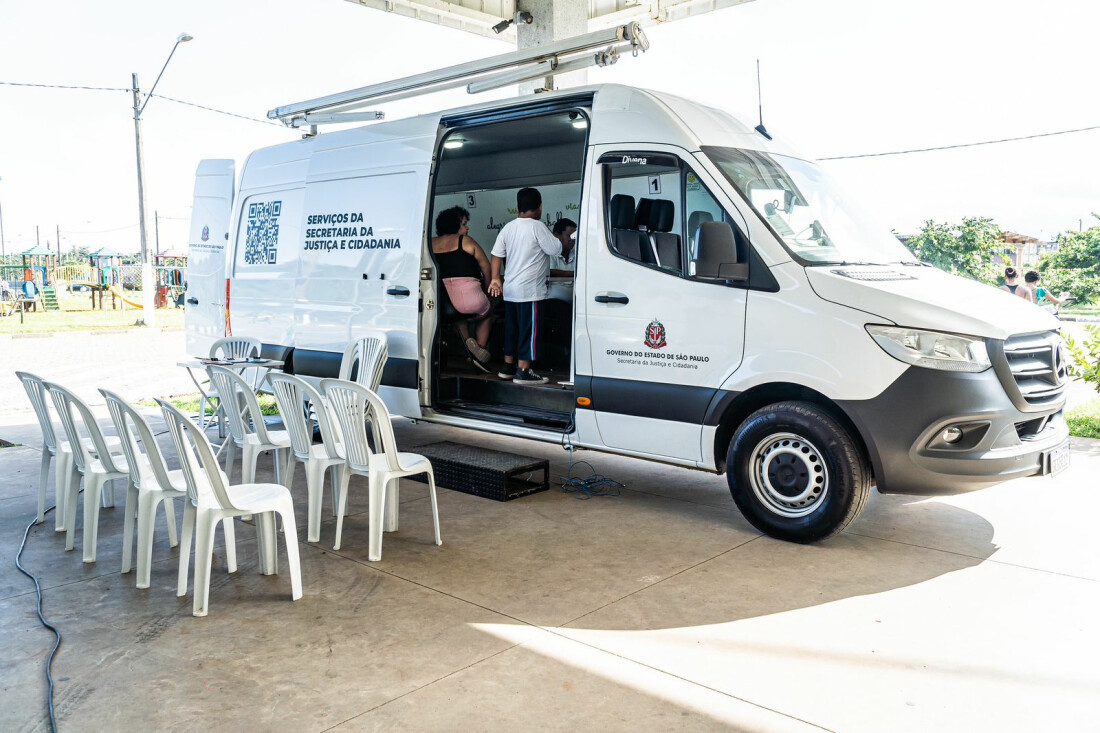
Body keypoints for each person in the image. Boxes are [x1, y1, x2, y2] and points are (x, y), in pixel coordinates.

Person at [488, 188, 573, 385]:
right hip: (530, 292)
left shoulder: (508, 228)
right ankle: (524, 371)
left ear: (517, 207)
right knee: (529, 330)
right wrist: (560, 241)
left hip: (510, 291)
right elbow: (555, 249)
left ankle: (508, 366)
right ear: (540, 207)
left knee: (513, 329)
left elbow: (496, 254)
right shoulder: (537, 226)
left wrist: (495, 279)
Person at [431, 206, 493, 371]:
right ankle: (478, 349)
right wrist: (489, 293)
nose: (467, 228)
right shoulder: (466, 241)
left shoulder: (430, 243)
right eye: (464, 224)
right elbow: (487, 268)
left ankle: (467, 342)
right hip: (471, 299)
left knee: (458, 316)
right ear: (454, 225)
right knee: (486, 312)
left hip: (443, 303)